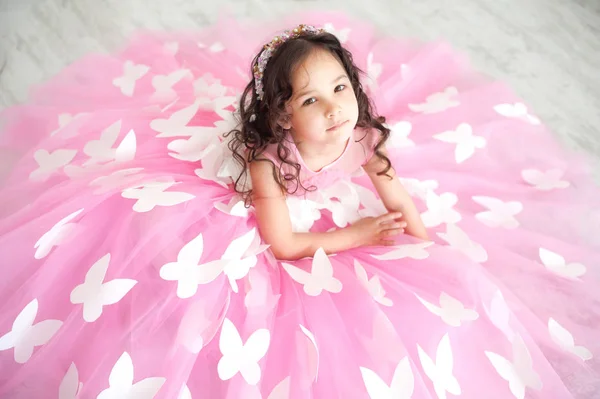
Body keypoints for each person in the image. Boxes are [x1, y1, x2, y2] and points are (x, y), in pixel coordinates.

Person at [0, 12, 598, 399]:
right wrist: (359, 234)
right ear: (285, 115)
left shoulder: (359, 131)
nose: (336, 108)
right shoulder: (268, 158)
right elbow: (283, 246)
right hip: (258, 201)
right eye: (312, 100)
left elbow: (391, 186)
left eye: (341, 88)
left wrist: (421, 237)